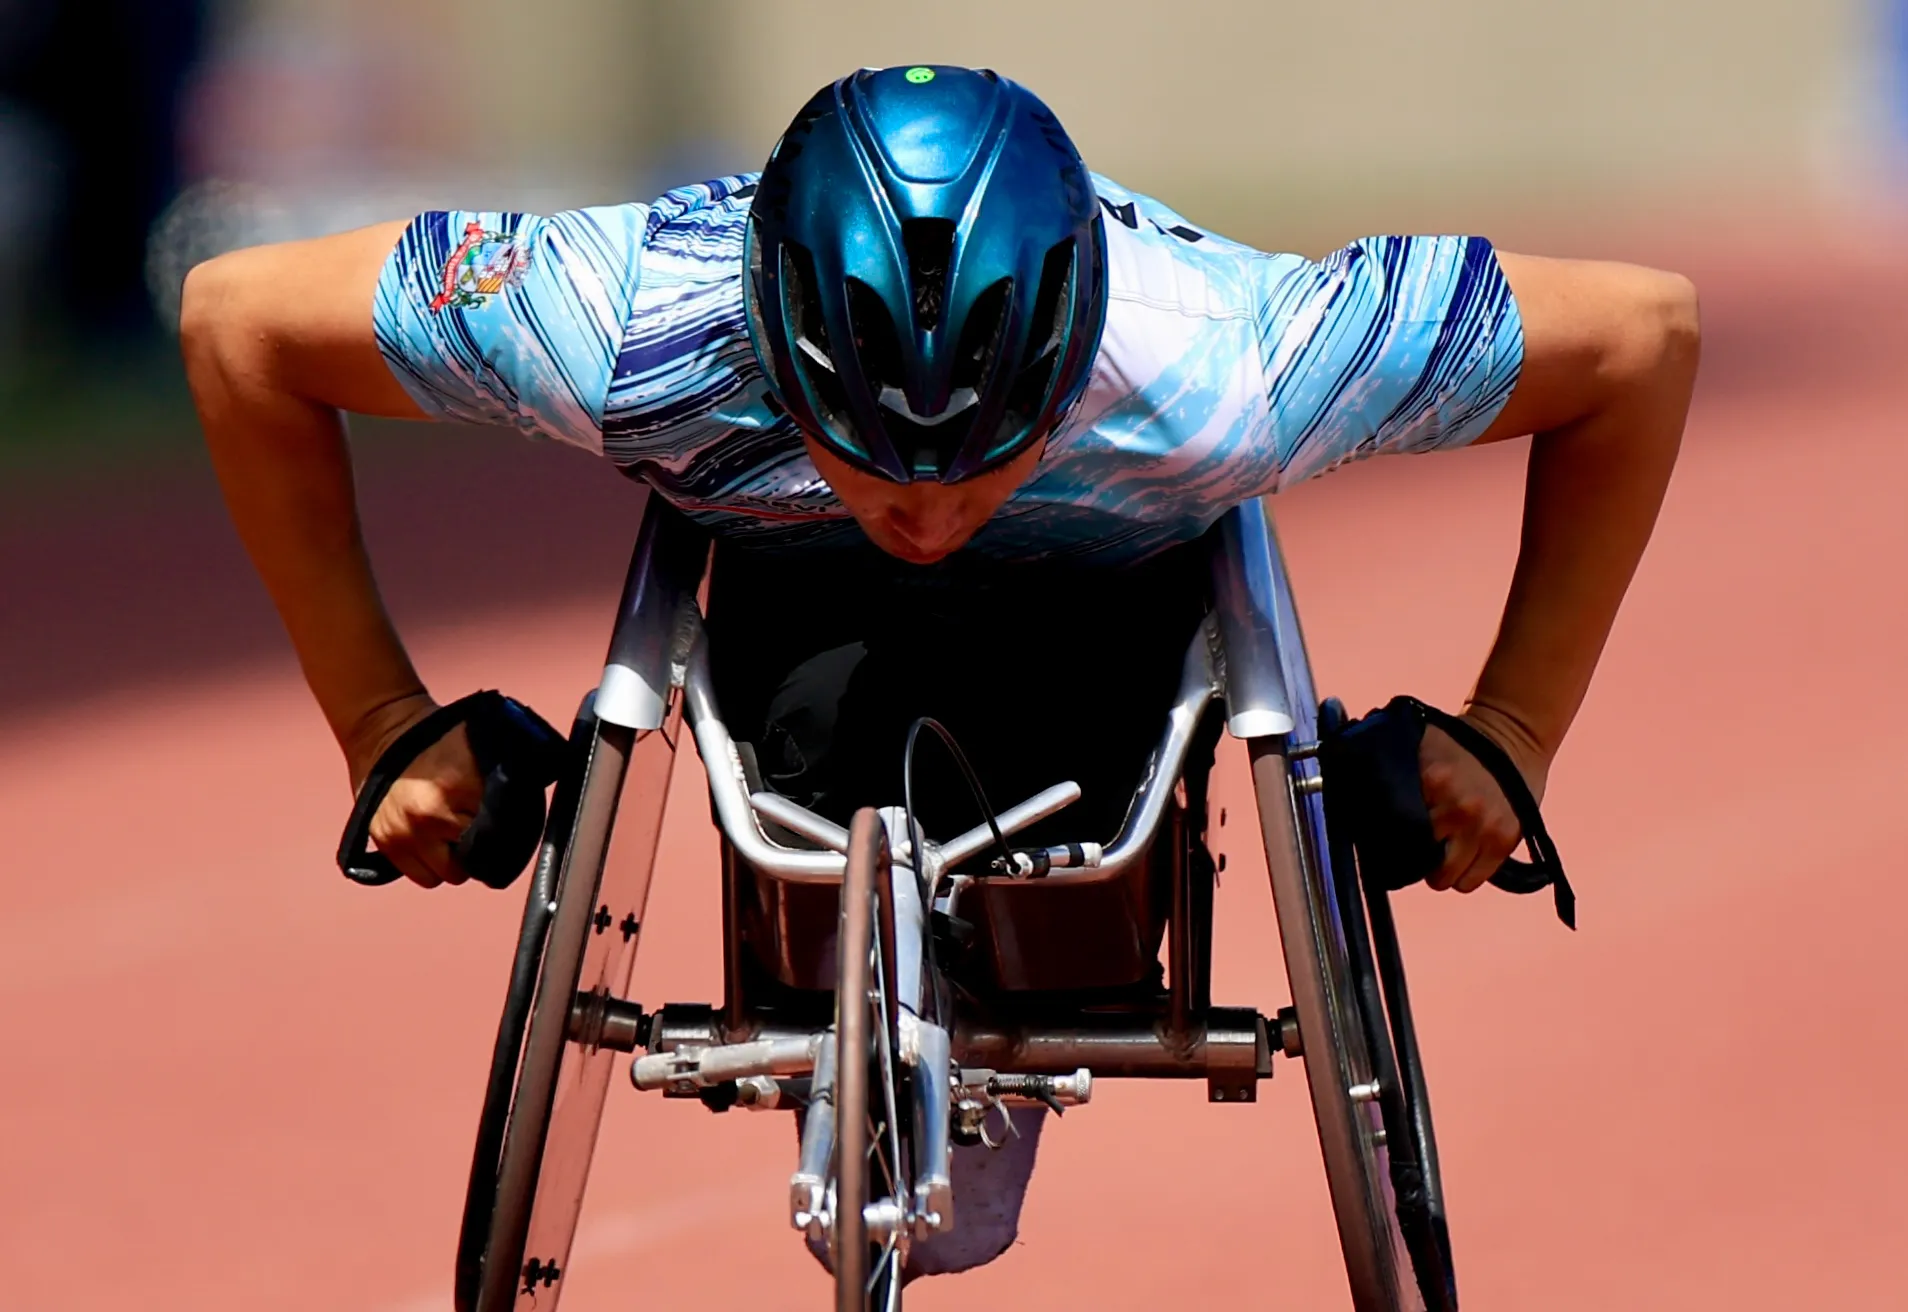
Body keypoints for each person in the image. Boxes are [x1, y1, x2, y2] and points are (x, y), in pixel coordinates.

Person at [178, 65, 1698, 1274]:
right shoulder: (629, 317)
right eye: (878, 460)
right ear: (772, 345)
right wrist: (383, 725)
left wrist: (1510, 735)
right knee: (816, 700)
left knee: (1073, 796)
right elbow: (237, 320)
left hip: (1108, 606)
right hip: (785, 591)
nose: (923, 512)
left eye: (975, 464)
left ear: (1077, 353)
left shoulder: (1233, 358)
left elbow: (1641, 337)